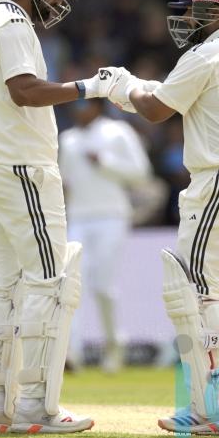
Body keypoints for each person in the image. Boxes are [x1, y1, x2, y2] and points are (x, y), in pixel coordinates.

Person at [107, 0, 219, 436]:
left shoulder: (209, 52)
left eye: (191, 9)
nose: (184, 18)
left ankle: (209, 409)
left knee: (194, 289)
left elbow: (158, 108)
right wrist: (138, 89)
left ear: (216, 8)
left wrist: (119, 86)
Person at [0, 0, 123, 434]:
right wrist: (90, 87)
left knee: (5, 285)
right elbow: (25, 91)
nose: (58, 1)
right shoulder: (14, 23)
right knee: (52, 283)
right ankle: (36, 407)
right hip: (23, 170)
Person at [59, 99, 152, 372]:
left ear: (97, 107)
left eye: (84, 105)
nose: (79, 110)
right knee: (71, 285)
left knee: (102, 285)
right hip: (77, 218)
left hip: (111, 216)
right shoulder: (68, 139)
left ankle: (114, 347)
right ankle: (70, 353)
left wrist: (105, 162)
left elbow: (141, 173)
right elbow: (64, 180)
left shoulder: (118, 132)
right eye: (75, 106)